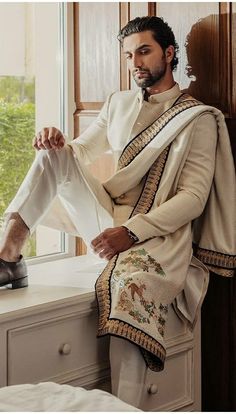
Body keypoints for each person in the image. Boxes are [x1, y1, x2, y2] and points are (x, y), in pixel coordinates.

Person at [0, 16, 235, 408]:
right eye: (128, 55)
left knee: (129, 291)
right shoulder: (118, 102)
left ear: (170, 53)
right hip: (108, 215)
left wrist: (132, 232)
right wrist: (57, 139)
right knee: (53, 154)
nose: (135, 63)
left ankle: (123, 408)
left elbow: (193, 199)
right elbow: (81, 152)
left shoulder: (197, 118)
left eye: (144, 51)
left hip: (157, 235)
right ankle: (9, 253)